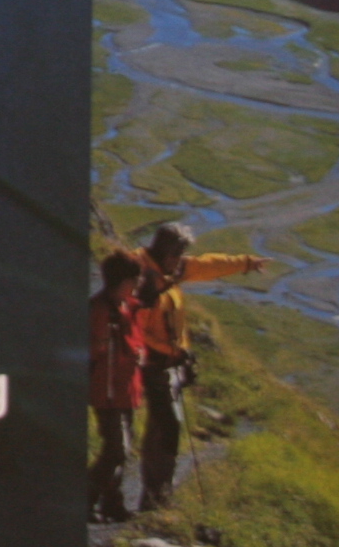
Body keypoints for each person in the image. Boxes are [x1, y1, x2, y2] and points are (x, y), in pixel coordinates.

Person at [125, 220, 265, 509]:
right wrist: (170, 351)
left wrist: (246, 263)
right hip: (154, 364)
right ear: (165, 251)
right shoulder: (142, 280)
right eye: (177, 254)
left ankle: (154, 496)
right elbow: (135, 329)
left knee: (162, 426)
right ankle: (157, 498)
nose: (181, 261)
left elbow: (205, 265)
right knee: (168, 425)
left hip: (169, 362)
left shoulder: (168, 268)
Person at [88, 250, 149, 521]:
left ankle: (112, 503)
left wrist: (140, 354)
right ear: (122, 281)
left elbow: (137, 342)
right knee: (117, 449)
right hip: (107, 390)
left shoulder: (129, 307)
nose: (138, 284)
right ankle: (86, 498)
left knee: (122, 448)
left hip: (126, 389)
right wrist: (101, 343)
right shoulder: (100, 310)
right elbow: (92, 351)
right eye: (135, 279)